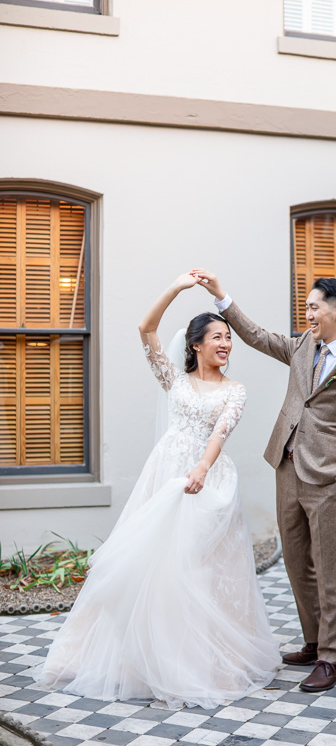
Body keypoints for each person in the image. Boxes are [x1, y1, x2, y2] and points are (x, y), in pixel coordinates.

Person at [32, 272, 281, 710]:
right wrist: (177, 287)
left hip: (209, 482)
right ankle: (147, 663)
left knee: (200, 571)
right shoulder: (174, 380)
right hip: (165, 473)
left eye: (229, 338)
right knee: (156, 566)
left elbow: (221, 432)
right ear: (196, 345)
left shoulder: (235, 391)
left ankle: (201, 665)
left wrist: (201, 469)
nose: (226, 343)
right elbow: (145, 328)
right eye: (218, 337)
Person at [192, 269, 336, 693]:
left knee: (331, 569)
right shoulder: (301, 346)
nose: (308, 314)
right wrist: (222, 296)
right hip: (286, 467)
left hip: (328, 479)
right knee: (297, 563)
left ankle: (332, 659)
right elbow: (256, 335)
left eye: (314, 307)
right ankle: (314, 643)